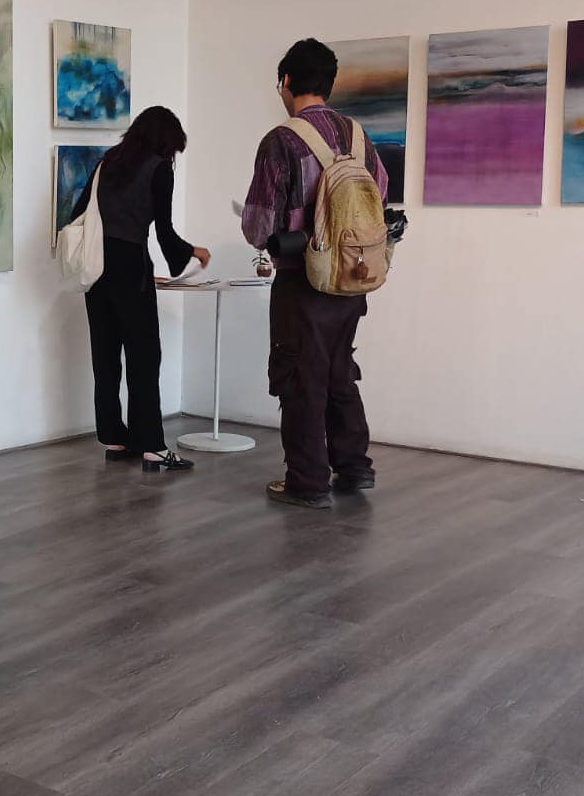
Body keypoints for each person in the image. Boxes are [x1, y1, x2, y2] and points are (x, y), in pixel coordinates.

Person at [240, 39, 390, 508]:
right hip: (353, 277)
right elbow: (380, 198)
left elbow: (258, 225)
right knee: (340, 370)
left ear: (286, 81)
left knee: (300, 377)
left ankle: (307, 482)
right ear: (329, 83)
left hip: (302, 280)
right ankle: (354, 466)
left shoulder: (282, 140)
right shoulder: (358, 136)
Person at [76, 105, 210, 472]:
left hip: (96, 267)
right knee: (144, 356)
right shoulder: (158, 168)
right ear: (166, 142)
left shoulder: (108, 163)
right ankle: (152, 446)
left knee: (105, 355)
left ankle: (115, 439)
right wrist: (194, 252)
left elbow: (77, 213)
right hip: (131, 265)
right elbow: (164, 232)